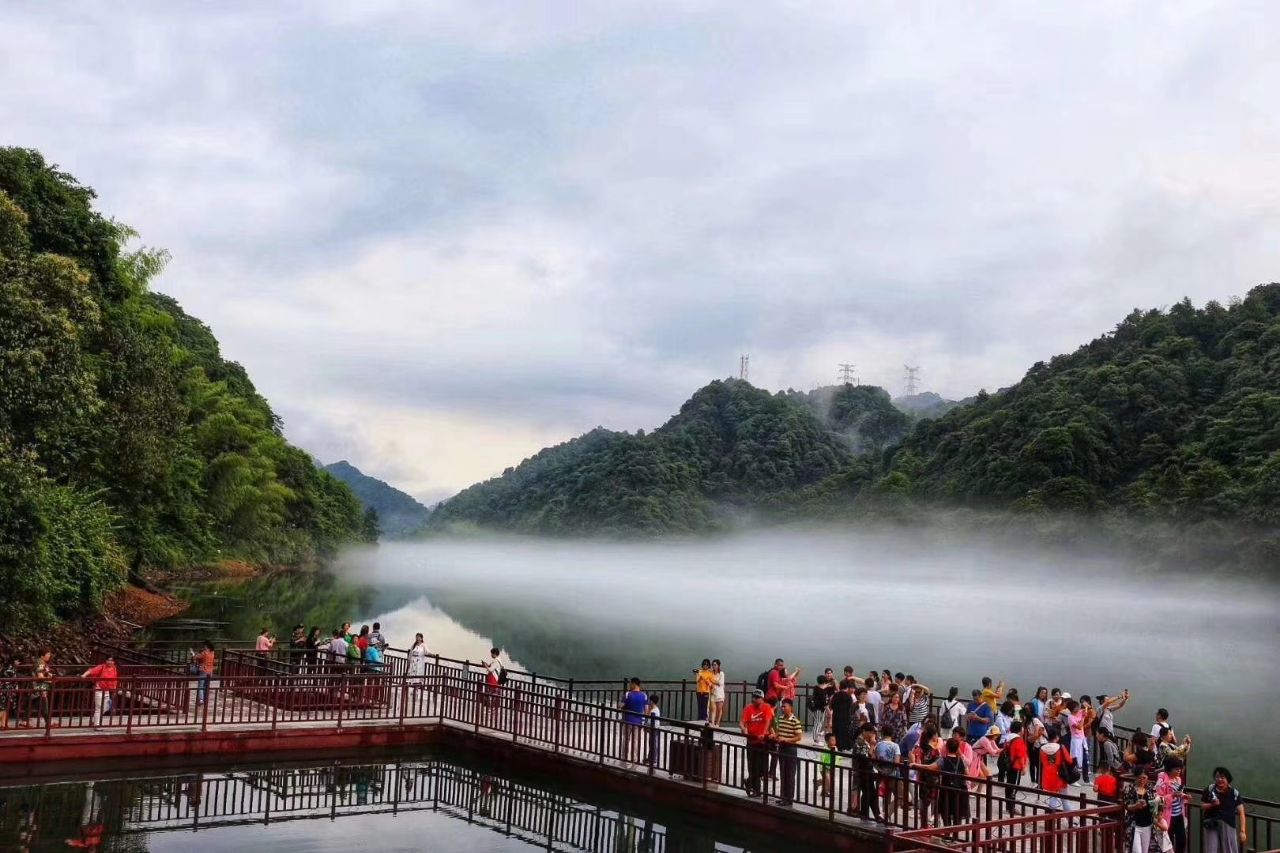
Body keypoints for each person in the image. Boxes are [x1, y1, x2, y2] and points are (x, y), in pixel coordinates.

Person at [1201, 766, 1247, 853]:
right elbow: (1202, 806)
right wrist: (1212, 805)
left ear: (1228, 779)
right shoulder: (1210, 789)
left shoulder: (1234, 793)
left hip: (1228, 825)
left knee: (1229, 849)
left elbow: (1241, 813)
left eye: (1222, 777)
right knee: (1211, 849)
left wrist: (1242, 831)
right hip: (1212, 824)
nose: (1219, 779)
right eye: (1217, 777)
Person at [741, 688, 775, 797]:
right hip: (751, 741)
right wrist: (744, 730)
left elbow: (768, 721)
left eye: (757, 697)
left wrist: (764, 733)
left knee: (762, 768)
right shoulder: (748, 708)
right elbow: (742, 722)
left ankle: (749, 782)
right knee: (752, 767)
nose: (754, 699)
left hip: (763, 742)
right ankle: (757, 790)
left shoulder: (766, 707)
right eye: (753, 697)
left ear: (762, 699)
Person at [773, 698, 804, 806]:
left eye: (784, 706)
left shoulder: (795, 721)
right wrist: (774, 736)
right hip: (782, 747)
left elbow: (799, 737)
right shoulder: (780, 718)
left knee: (790, 773)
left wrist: (786, 740)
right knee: (783, 772)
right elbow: (778, 731)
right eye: (782, 706)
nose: (782, 708)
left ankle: (789, 798)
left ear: (790, 707)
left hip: (790, 749)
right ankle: (783, 796)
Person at [1155, 756, 1189, 853]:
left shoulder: (1178, 779)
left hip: (1178, 814)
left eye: (1180, 769)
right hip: (1168, 815)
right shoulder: (1162, 782)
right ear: (1169, 769)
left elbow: (1178, 794)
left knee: (1182, 840)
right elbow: (1158, 799)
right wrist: (1172, 795)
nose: (1179, 771)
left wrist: (1183, 796)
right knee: (1168, 841)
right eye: (1176, 769)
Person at [1039, 728, 1075, 812]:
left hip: (1048, 776)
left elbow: (1042, 761)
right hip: (1060, 776)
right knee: (1065, 800)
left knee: (1052, 798)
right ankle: (1071, 820)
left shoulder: (1042, 748)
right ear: (1057, 737)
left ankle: (1051, 820)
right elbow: (1069, 760)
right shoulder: (1061, 747)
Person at [1123, 770, 1158, 853]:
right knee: (1136, 851)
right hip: (1135, 825)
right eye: (1140, 778)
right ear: (1136, 777)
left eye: (1145, 778)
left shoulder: (1150, 789)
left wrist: (1151, 805)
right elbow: (1126, 805)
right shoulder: (1130, 788)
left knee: (1145, 850)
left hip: (1147, 825)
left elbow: (1155, 804)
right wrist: (1136, 806)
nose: (1142, 780)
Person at [852, 722, 882, 821]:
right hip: (863, 770)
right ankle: (867, 814)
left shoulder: (862, 741)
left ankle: (873, 814)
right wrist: (872, 746)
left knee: (870, 792)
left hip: (865, 770)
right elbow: (865, 758)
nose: (871, 735)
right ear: (865, 732)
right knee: (868, 792)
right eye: (870, 733)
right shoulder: (861, 742)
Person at [874, 723, 903, 822]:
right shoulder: (895, 746)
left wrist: (881, 769)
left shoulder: (878, 745)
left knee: (886, 797)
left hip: (881, 774)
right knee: (900, 797)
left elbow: (875, 759)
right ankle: (886, 814)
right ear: (892, 734)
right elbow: (896, 762)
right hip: (893, 775)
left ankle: (885, 817)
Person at [80, 655, 117, 729]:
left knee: (106, 707)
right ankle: (97, 725)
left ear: (114, 662)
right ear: (106, 661)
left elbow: (115, 680)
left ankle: (94, 721)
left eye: (111, 660)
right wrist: (84, 675)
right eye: (108, 660)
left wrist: (114, 689)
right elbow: (91, 671)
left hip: (107, 690)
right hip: (99, 689)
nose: (109, 662)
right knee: (99, 707)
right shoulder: (102, 667)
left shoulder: (114, 669)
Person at [999, 720, 1029, 810]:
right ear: (1019, 729)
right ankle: (1011, 807)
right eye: (1022, 727)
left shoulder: (1007, 738)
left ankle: (1008, 805)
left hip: (1008, 764)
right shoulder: (1018, 740)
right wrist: (1023, 767)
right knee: (1014, 786)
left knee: (1009, 784)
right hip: (1016, 765)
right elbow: (1020, 755)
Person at [618, 677, 649, 764]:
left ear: (634, 684)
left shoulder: (628, 694)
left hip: (628, 720)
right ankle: (634, 758)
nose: (629, 685)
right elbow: (646, 710)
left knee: (626, 739)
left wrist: (622, 703)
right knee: (635, 741)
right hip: (638, 722)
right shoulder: (644, 695)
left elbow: (620, 705)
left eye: (630, 683)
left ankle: (624, 757)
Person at [27, 648, 53, 728]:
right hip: (40, 687)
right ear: (42, 655)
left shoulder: (42, 662)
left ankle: (24, 721)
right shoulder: (40, 662)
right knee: (44, 703)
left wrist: (49, 675)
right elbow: (40, 676)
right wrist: (49, 680)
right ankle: (48, 722)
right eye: (48, 654)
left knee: (32, 702)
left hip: (38, 687)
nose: (49, 655)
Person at [831, 678, 855, 751]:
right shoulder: (848, 696)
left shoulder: (835, 695)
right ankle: (846, 746)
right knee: (845, 732)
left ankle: (837, 746)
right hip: (845, 717)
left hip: (836, 717)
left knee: (836, 731)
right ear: (847, 687)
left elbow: (832, 706)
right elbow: (850, 707)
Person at [193, 641, 216, 705]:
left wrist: (194, 655)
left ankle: (201, 700)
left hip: (203, 671)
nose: (204, 647)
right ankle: (205, 699)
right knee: (206, 686)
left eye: (205, 646)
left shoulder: (204, 653)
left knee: (200, 686)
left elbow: (196, 657)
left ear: (208, 647)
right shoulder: (212, 653)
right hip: (210, 672)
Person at [645, 693, 663, 767]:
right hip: (654, 728)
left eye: (650, 701)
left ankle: (653, 759)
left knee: (653, 744)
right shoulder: (655, 709)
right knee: (651, 743)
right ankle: (650, 757)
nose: (649, 702)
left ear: (652, 701)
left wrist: (647, 727)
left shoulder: (654, 711)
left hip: (654, 729)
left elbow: (649, 719)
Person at [709, 659, 726, 727]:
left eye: (715, 665)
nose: (714, 666)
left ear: (718, 665)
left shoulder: (721, 673)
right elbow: (709, 681)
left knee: (719, 709)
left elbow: (720, 683)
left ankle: (717, 723)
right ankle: (712, 723)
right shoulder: (711, 673)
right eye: (713, 665)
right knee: (713, 709)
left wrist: (712, 681)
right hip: (713, 692)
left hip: (719, 693)